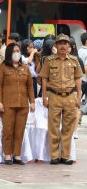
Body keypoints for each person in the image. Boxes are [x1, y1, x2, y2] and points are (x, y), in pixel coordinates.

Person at [39, 34, 83, 165]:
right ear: (56, 45)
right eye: (60, 43)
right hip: (54, 96)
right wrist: (44, 97)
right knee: (53, 127)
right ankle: (54, 156)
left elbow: (78, 79)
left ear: (69, 46)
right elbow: (44, 78)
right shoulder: (49, 60)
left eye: (65, 43)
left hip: (70, 96)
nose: (63, 46)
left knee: (68, 128)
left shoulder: (74, 60)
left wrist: (79, 96)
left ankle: (66, 155)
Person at [0, 43, 35, 165]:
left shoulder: (25, 68)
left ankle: (17, 155)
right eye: (14, 51)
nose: (17, 53)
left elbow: (30, 87)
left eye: (18, 50)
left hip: (23, 105)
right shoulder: (3, 67)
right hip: (8, 104)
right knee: (8, 130)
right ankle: (8, 155)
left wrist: (32, 102)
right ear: (9, 53)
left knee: (20, 131)